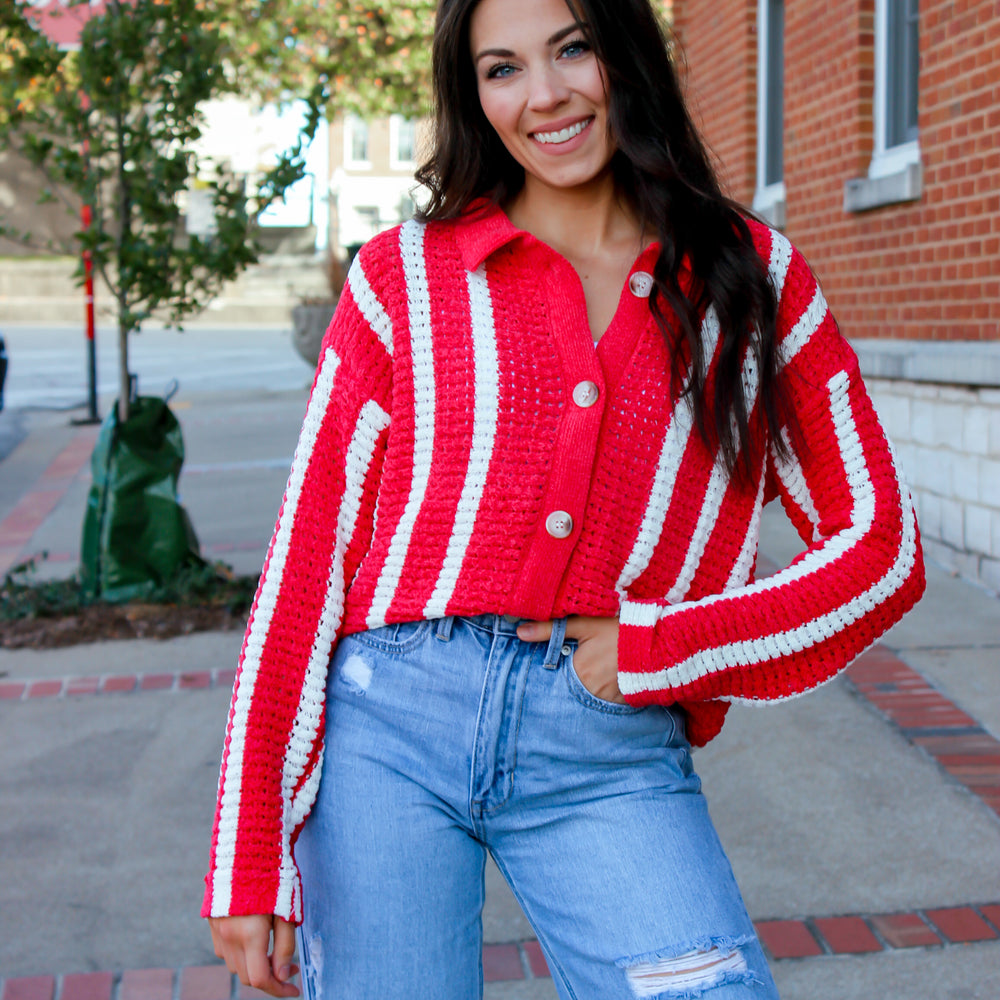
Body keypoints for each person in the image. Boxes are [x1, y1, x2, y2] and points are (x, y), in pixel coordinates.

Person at [204, 0, 925, 996]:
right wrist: (250, 845)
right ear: (473, 94)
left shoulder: (750, 281)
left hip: (606, 745)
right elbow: (305, 566)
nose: (543, 95)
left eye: (571, 49)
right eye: (501, 69)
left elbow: (878, 546)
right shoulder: (401, 280)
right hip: (385, 734)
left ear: (624, 54)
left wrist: (661, 647)